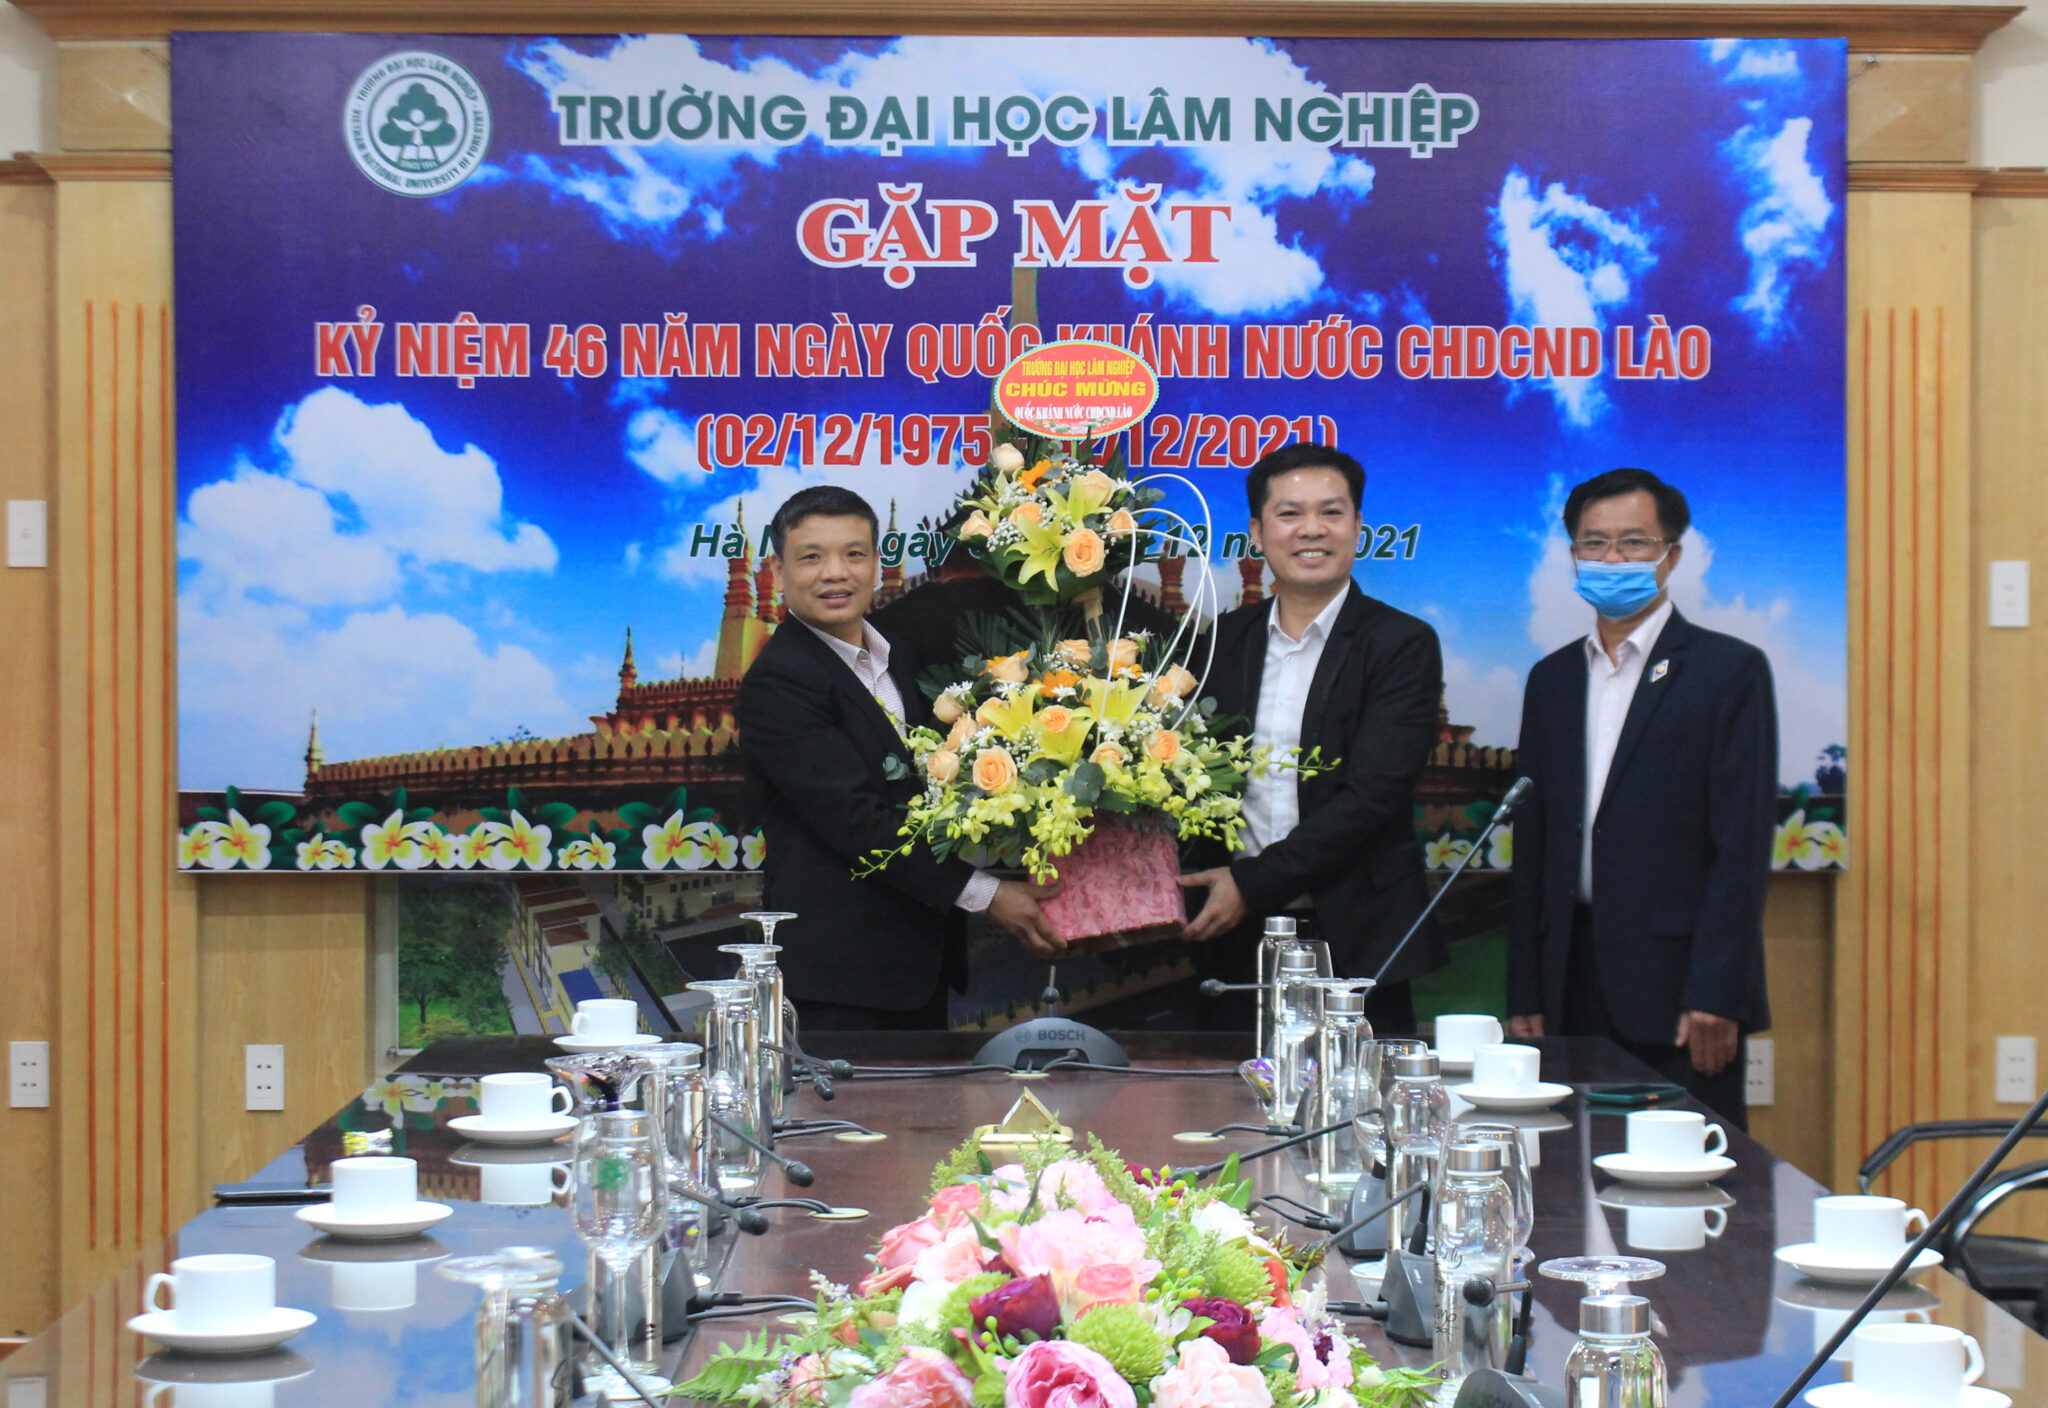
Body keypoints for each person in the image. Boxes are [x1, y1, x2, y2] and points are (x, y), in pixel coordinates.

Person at [1506, 467, 1777, 1124]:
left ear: (1670, 555)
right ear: (1574, 555)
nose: (1612, 560)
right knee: (1565, 1164)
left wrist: (1718, 991)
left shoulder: (1728, 671)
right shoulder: (1552, 680)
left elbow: (1741, 848)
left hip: (1680, 989)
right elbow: (1533, 841)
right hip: (1568, 981)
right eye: (1594, 543)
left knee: (1686, 1169)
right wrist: (1525, 986)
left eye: (1633, 543)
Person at [737, 486, 1062, 1031]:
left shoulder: (897, 655)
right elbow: (857, 821)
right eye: (812, 557)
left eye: (854, 554)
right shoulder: (780, 679)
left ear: (877, 562)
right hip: (841, 979)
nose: (835, 573)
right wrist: (988, 895)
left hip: (917, 964)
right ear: (778, 570)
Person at [1179, 443, 1446, 1034]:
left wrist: (1252, 882)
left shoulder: (1400, 643)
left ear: (1357, 526)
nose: (1312, 530)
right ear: (1257, 532)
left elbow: (1372, 796)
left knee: (1360, 1088)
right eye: (1289, 513)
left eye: (1331, 512)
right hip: (1230, 934)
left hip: (1357, 938)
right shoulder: (1219, 641)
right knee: (1223, 1088)